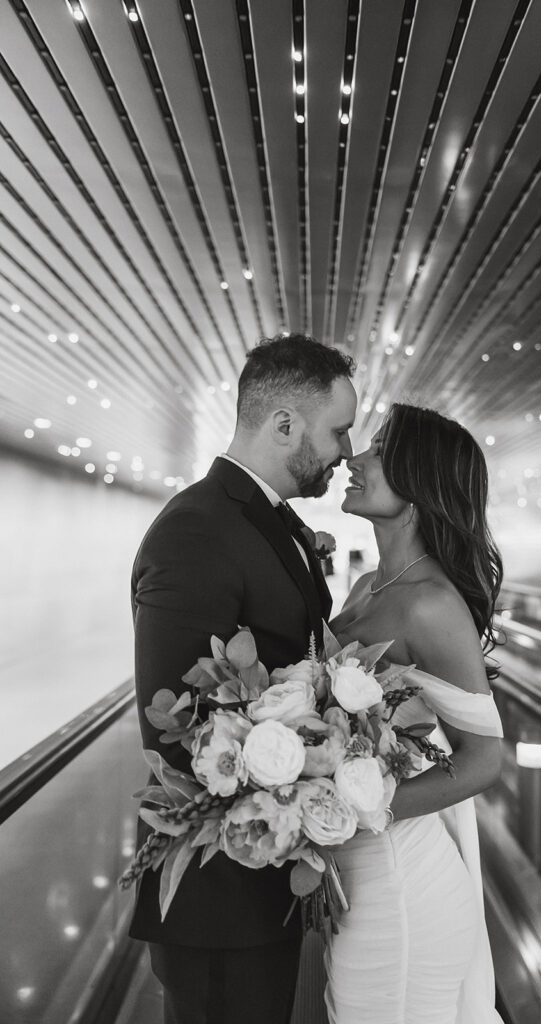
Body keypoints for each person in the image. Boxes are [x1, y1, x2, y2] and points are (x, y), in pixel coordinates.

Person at [129, 334, 357, 1024]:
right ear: (284, 423)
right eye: (338, 430)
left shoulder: (268, 522)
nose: (346, 450)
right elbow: (177, 726)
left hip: (260, 880)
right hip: (217, 899)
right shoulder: (197, 530)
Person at [326, 402, 504, 1024]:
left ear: (419, 480)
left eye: (377, 450)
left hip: (399, 886)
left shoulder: (430, 604)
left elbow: (483, 760)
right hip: (354, 874)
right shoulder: (367, 587)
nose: (354, 458)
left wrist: (360, 814)